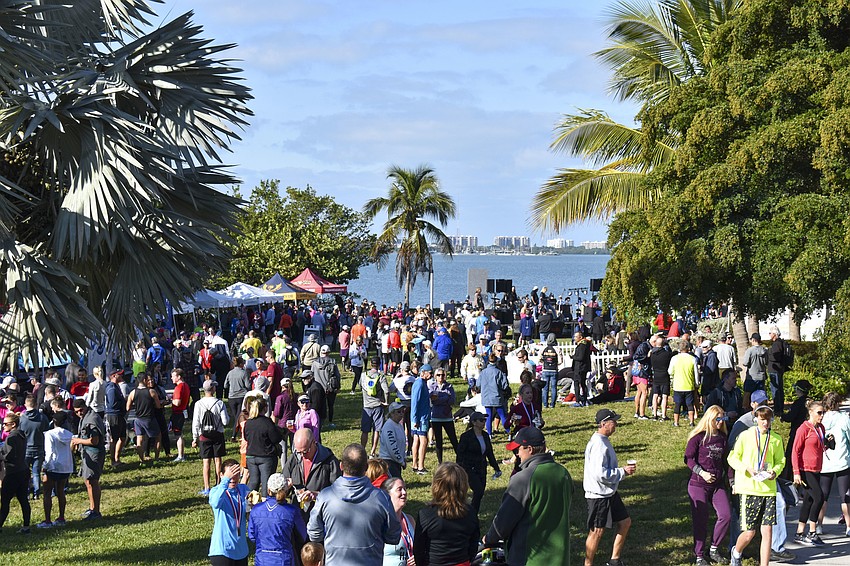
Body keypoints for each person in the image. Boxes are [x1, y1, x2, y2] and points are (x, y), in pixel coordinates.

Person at [484, 426, 572, 566]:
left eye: (517, 450)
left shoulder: (523, 478)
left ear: (529, 449)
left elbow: (504, 521)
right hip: (560, 558)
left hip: (530, 558)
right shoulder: (563, 473)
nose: (517, 455)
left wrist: (489, 539)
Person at [308, 443, 401, 565]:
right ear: (366, 467)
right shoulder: (381, 498)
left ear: (341, 465)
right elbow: (393, 536)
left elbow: (314, 534)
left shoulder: (325, 497)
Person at [727, 405, 785, 566]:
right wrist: (747, 469)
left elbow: (781, 461)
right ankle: (736, 552)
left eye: (768, 419)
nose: (765, 423)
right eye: (762, 419)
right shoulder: (745, 436)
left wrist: (775, 472)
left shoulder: (776, 439)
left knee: (767, 531)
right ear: (756, 420)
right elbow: (732, 458)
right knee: (749, 533)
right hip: (749, 489)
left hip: (768, 490)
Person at [583, 409, 636, 566]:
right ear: (603, 424)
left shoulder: (603, 440)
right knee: (597, 531)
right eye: (613, 421)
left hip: (609, 492)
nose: (616, 424)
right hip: (599, 495)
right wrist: (622, 472)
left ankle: (614, 560)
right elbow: (601, 474)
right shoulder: (599, 445)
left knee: (625, 522)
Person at [685, 406, 732, 566]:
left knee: (726, 515)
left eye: (723, 419)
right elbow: (689, 459)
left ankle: (713, 548)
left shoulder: (722, 438)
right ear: (710, 419)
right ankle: (699, 556)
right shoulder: (698, 437)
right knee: (701, 519)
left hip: (717, 485)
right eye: (717, 419)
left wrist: (731, 480)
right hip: (698, 485)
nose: (720, 422)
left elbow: (727, 462)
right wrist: (702, 473)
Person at [413, 461, 480, 566]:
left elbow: (418, 550)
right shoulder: (470, 512)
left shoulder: (426, 514)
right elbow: (473, 545)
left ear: (437, 485)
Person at [281, 429, 341, 523]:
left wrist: (318, 495)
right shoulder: (294, 458)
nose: (302, 456)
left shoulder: (329, 461)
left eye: (305, 451)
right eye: (298, 452)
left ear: (314, 442)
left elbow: (338, 492)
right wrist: (285, 486)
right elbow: (282, 483)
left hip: (320, 516)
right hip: (297, 516)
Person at [248, 473, 307, 566]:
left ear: (268, 489)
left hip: (262, 559)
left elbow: (252, 536)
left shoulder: (256, 510)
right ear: (286, 490)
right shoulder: (292, 511)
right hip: (284, 559)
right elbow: (302, 536)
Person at [791, 399, 829, 546]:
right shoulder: (803, 428)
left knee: (809, 500)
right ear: (810, 412)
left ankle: (799, 533)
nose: (822, 415)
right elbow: (795, 451)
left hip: (816, 468)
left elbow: (819, 445)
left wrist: (828, 443)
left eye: (823, 412)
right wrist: (796, 472)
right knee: (819, 497)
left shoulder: (821, 428)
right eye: (819, 413)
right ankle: (812, 532)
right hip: (805, 469)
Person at [817, 391, 850, 535]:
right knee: (845, 496)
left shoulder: (821, 418)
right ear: (839, 403)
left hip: (826, 462)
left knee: (823, 495)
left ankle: (818, 525)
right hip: (842, 459)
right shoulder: (844, 418)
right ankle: (849, 526)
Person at [208, 459, 250, 566]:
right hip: (222, 551)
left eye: (235, 474)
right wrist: (225, 481)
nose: (233, 478)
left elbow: (250, 512)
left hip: (241, 550)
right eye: (229, 475)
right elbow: (215, 502)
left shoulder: (243, 489)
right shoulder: (216, 491)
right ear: (221, 475)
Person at [192, 379, 230, 497]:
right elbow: (225, 421)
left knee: (206, 462)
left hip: (204, 436)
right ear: (213, 389)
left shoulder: (198, 404)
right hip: (217, 434)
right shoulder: (219, 403)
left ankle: (207, 487)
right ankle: (218, 484)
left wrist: (195, 437)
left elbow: (196, 422)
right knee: (218, 460)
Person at [37, 411, 74, 528]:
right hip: (65, 466)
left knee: (47, 493)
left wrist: (45, 466)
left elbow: (49, 451)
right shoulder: (69, 434)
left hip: (53, 466)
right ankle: (61, 517)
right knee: (61, 491)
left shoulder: (49, 434)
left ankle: (47, 520)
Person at [71, 398, 106, 520]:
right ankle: (92, 509)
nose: (79, 413)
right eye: (76, 412)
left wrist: (78, 441)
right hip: (87, 453)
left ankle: (96, 511)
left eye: (81, 410)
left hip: (94, 453)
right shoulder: (85, 417)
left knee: (92, 481)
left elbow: (94, 441)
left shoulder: (92, 419)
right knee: (88, 481)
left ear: (85, 407)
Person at [243, 396, 283, 500]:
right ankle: (266, 503)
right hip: (266, 456)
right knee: (266, 483)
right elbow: (276, 439)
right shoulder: (267, 422)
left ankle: (247, 503)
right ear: (264, 408)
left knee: (253, 481)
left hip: (251, 456)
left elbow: (246, 437)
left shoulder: (248, 423)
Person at [0, 412, 32, 533]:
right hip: (23, 470)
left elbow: (7, 455)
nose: (3, 426)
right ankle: (26, 526)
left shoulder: (11, 437)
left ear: (13, 424)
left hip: (12, 472)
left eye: (5, 424)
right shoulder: (21, 434)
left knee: (5, 501)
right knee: (23, 499)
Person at [126, 372, 162, 463]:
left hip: (138, 419)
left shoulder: (133, 392)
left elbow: (128, 407)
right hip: (149, 418)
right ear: (145, 380)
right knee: (158, 437)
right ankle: (157, 458)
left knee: (139, 440)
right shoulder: (151, 392)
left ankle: (142, 459)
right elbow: (158, 406)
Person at [19, 394, 49, 500]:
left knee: (25, 472)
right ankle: (36, 493)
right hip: (39, 448)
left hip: (26, 448)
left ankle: (26, 492)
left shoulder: (22, 418)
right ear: (36, 404)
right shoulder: (42, 417)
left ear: (25, 405)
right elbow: (46, 429)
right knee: (36, 472)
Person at [382, 477, 415, 566]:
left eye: (405, 489)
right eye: (399, 489)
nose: (404, 492)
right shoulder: (381, 522)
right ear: (388, 495)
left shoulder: (410, 520)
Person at [361, 358, 390, 456]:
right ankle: (372, 452)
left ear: (370, 364)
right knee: (377, 430)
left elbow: (361, 386)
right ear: (379, 364)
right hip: (378, 405)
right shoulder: (381, 376)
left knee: (365, 431)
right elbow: (386, 390)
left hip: (366, 405)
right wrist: (386, 401)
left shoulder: (363, 375)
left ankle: (362, 450)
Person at [429, 367, 458, 464]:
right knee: (438, 441)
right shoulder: (432, 386)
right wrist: (445, 398)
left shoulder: (449, 386)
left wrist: (439, 399)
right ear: (435, 376)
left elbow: (452, 400)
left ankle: (460, 459)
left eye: (442, 375)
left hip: (447, 417)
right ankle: (440, 461)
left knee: (453, 439)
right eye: (438, 375)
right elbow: (433, 400)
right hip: (436, 417)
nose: (441, 377)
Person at [669, 340, 699, 427]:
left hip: (678, 385)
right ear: (688, 349)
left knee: (677, 404)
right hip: (689, 385)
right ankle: (691, 422)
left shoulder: (674, 358)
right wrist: (697, 384)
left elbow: (670, 371)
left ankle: (676, 422)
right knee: (690, 404)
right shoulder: (693, 359)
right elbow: (696, 373)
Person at [478, 354, 509, 436]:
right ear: (496, 362)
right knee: (502, 415)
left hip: (486, 397)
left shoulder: (483, 372)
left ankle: (489, 434)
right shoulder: (499, 372)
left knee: (488, 416)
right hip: (497, 397)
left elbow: (478, 384)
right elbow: (505, 385)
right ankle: (509, 432)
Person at [410, 364, 432, 475]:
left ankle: (414, 464)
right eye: (430, 372)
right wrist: (414, 419)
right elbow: (415, 402)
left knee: (416, 440)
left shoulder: (422, 383)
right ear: (423, 372)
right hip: (420, 418)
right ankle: (420, 466)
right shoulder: (419, 383)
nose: (431, 375)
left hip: (419, 417)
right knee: (424, 440)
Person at [104, 369, 127, 467]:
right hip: (114, 415)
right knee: (114, 438)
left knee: (122, 437)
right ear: (113, 376)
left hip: (119, 414)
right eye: (119, 375)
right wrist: (123, 402)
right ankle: (113, 460)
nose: (121, 376)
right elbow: (112, 403)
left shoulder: (116, 386)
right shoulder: (111, 389)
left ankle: (117, 458)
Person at [225, 357, 251, 441]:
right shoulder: (244, 373)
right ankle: (235, 434)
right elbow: (248, 386)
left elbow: (225, 385)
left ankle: (237, 433)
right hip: (241, 396)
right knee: (239, 416)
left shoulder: (229, 373)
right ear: (240, 364)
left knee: (236, 415)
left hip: (231, 397)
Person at [649, 334, 674, 420]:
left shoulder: (652, 354)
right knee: (664, 396)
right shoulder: (666, 354)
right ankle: (663, 415)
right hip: (664, 375)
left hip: (656, 375)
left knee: (655, 395)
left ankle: (655, 414)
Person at [380, 402, 407, 478]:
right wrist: (401, 461)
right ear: (391, 413)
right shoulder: (389, 427)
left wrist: (403, 458)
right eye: (398, 412)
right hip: (389, 462)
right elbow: (392, 447)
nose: (401, 414)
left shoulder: (399, 425)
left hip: (396, 461)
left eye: (402, 411)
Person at [741, 333, 768, 408]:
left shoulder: (750, 350)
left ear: (753, 340)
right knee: (761, 394)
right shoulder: (764, 350)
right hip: (761, 376)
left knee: (747, 393)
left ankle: (745, 408)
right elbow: (767, 362)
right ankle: (762, 408)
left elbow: (745, 363)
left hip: (751, 376)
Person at [169, 368, 190, 462]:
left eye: (173, 376)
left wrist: (170, 399)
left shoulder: (179, 387)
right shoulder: (186, 386)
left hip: (177, 412)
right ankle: (181, 454)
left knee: (178, 435)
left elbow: (177, 402)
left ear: (179, 377)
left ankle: (180, 456)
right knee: (179, 433)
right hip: (182, 411)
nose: (171, 378)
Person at [766, 326, 789, 412]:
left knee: (776, 390)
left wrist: (768, 353)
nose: (769, 335)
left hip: (775, 369)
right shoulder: (781, 343)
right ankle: (780, 407)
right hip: (779, 369)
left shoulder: (777, 344)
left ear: (774, 334)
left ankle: (778, 409)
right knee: (779, 389)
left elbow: (776, 356)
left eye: (770, 333)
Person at [540, 334, 561, 409]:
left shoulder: (543, 348)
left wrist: (544, 363)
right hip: (554, 370)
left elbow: (540, 358)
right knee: (553, 387)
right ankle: (552, 404)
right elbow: (560, 361)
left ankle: (545, 404)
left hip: (545, 369)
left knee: (545, 388)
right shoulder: (557, 349)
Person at [572, 332, 593, 407]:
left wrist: (573, 357)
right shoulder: (584, 344)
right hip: (582, 367)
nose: (574, 338)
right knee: (582, 383)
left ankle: (578, 401)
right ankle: (584, 399)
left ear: (580, 337)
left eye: (576, 337)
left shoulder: (582, 345)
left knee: (577, 383)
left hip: (580, 367)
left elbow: (580, 357)